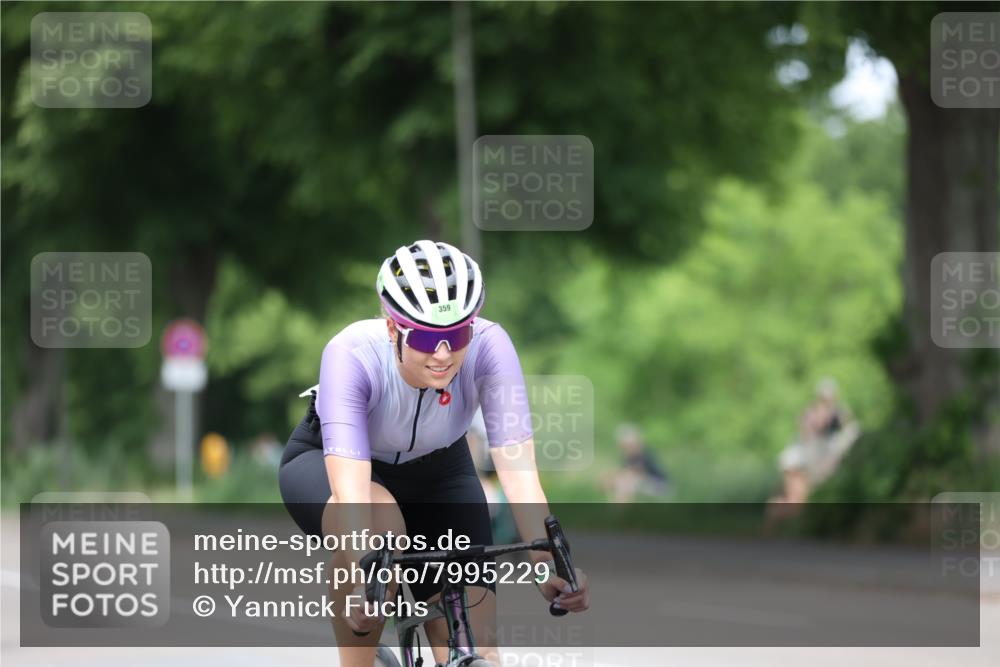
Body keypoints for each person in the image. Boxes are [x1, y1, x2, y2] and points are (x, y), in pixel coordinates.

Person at [278, 240, 589, 667]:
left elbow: (518, 473)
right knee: (379, 537)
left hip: (441, 471)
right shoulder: (350, 354)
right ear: (392, 329)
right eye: (425, 337)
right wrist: (361, 581)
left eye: (457, 335)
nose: (443, 355)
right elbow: (351, 493)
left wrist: (544, 567)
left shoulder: (492, 348)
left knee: (476, 649)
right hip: (338, 469)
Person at [768, 378, 860, 515]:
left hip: (813, 459)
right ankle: (779, 519)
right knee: (795, 494)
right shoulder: (812, 413)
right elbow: (806, 433)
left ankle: (780, 520)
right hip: (805, 457)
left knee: (796, 495)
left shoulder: (838, 414)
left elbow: (849, 429)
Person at [605, 423, 671, 502]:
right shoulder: (626, 457)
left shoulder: (645, 455)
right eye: (626, 445)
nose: (628, 448)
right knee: (616, 482)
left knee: (624, 484)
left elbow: (638, 474)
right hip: (644, 483)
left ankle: (621, 510)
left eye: (631, 444)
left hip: (659, 485)